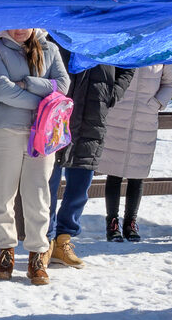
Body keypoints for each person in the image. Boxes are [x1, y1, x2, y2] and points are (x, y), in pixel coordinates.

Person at [0, 27, 69, 285]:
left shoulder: (51, 50)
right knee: (3, 193)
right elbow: (1, 90)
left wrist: (28, 84)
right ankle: (6, 251)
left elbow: (63, 86)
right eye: (14, 22)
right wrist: (46, 100)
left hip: (42, 133)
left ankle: (37, 253)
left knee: (39, 194)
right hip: (5, 130)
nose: (19, 29)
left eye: (25, 23)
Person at [47, 54, 133, 268]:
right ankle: (45, 242)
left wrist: (113, 92)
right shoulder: (63, 26)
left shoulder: (110, 33)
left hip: (94, 114)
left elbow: (129, 64)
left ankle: (64, 240)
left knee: (80, 184)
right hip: (57, 114)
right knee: (47, 182)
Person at [98, 62, 172, 242]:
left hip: (145, 118)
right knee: (114, 172)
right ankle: (112, 223)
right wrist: (113, 98)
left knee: (138, 173)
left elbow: (170, 83)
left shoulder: (162, 52)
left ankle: (131, 222)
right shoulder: (127, 44)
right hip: (118, 115)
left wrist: (157, 103)